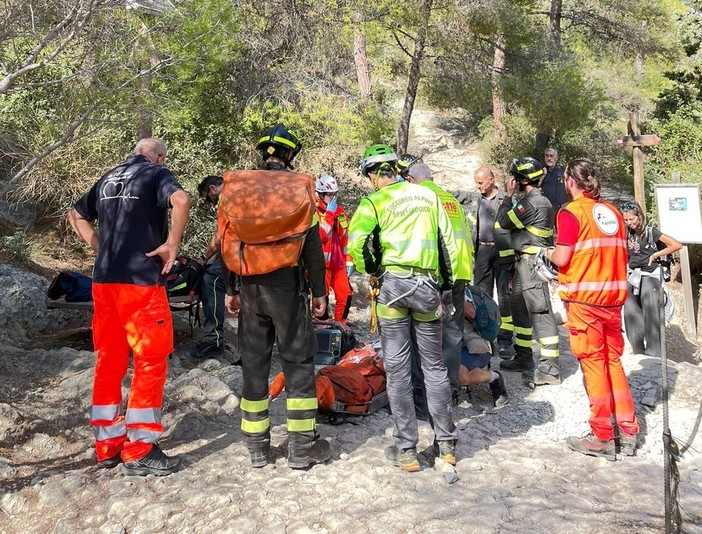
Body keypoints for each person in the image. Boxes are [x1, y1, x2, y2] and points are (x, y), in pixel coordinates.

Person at [67, 137, 190, 476]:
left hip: (104, 283)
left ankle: (107, 446)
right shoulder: (154, 175)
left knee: (109, 360)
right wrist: (171, 244)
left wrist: (101, 247)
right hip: (139, 285)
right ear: (159, 158)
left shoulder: (108, 177)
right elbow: (181, 200)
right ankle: (139, 449)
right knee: (150, 361)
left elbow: (75, 214)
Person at [221, 124, 330, 469]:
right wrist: (319, 293)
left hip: (250, 289)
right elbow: (312, 248)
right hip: (288, 289)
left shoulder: (239, 188)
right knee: (298, 363)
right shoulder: (298, 188)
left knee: (254, 365)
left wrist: (230, 289)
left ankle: (257, 448)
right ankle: (301, 448)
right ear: (289, 155)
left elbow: (227, 239)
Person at [348, 144, 460, 472]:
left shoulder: (374, 202)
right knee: (435, 367)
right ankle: (446, 446)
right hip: (427, 287)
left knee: (397, 370)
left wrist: (372, 270)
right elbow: (446, 244)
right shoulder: (428, 196)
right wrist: (445, 287)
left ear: (373, 174)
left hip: (392, 290)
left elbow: (357, 243)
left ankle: (407, 450)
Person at [547, 159, 639, 460]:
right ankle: (628, 430)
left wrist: (545, 252)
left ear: (570, 182)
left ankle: (601, 435)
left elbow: (562, 258)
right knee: (613, 362)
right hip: (613, 300)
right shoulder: (612, 211)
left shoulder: (571, 213)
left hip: (585, 301)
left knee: (593, 365)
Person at [405, 162, 473, 402]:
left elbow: (435, 239)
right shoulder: (451, 200)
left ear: (412, 180)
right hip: (461, 270)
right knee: (453, 334)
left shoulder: (422, 199)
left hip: (437, 274)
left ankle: (423, 392)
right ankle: (452, 389)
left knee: (421, 333)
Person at [497, 157, 561, 386]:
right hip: (525, 263)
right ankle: (524, 356)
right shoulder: (540, 201)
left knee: (540, 312)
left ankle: (549, 368)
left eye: (516, 178)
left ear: (522, 180)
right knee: (519, 308)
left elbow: (504, 221)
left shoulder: (531, 203)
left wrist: (507, 196)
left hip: (532, 264)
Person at [461, 166, 516, 359]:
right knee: (481, 297)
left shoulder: (506, 200)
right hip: (483, 251)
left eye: (480, 182)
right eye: (476, 182)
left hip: (502, 252)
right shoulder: (478, 199)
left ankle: (505, 341)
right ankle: (485, 338)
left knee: (504, 297)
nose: (477, 186)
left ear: (491, 180)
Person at [620, 199, 682, 358]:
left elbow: (676, 244)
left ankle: (654, 353)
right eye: (626, 220)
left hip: (650, 275)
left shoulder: (650, 231)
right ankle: (638, 351)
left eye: (631, 219)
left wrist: (655, 255)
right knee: (630, 313)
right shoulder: (627, 233)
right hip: (633, 275)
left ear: (639, 216)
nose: (629, 223)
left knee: (650, 307)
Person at [188, 175, 229, 360]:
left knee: (210, 279)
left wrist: (204, 258)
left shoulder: (226, 199)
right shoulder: (243, 192)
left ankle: (213, 340)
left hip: (242, 256)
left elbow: (220, 236)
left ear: (212, 189)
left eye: (208, 198)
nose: (211, 202)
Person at [459, 287, 509, 407]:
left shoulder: (460, 292)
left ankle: (495, 377)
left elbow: (471, 312)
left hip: (475, 346)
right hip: (449, 346)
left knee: (463, 378)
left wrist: (451, 299)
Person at [314, 174, 353, 323]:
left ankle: (340, 325)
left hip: (339, 264)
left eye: (334, 194)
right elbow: (321, 235)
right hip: (322, 265)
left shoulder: (340, 211)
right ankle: (321, 327)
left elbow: (345, 237)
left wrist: (348, 260)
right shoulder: (314, 212)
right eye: (330, 195)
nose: (333, 198)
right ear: (321, 194)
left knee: (346, 296)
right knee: (321, 297)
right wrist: (329, 214)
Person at [542, 147, 567, 212]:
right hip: (545, 209)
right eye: (546, 156)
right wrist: (543, 176)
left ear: (556, 158)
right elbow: (535, 188)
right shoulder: (541, 171)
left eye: (551, 156)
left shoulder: (563, 171)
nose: (549, 158)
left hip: (561, 209)